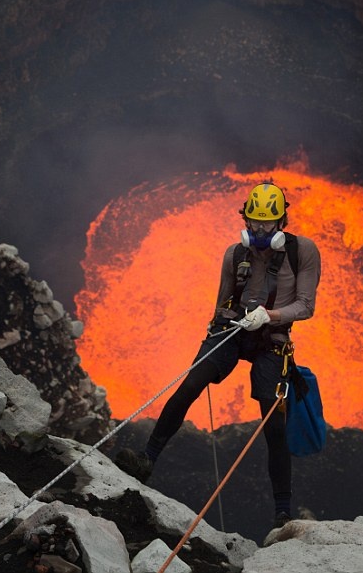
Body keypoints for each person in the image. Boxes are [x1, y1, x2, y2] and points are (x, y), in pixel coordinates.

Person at [115, 181, 321, 529]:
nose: (258, 230)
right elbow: (222, 302)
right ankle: (146, 458)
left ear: (281, 223)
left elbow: (306, 306)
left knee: (273, 424)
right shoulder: (234, 254)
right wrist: (214, 336)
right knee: (191, 382)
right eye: (253, 222)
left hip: (272, 339)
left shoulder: (304, 251)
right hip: (234, 331)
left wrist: (270, 316)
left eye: (266, 225)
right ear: (245, 218)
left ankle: (282, 510)